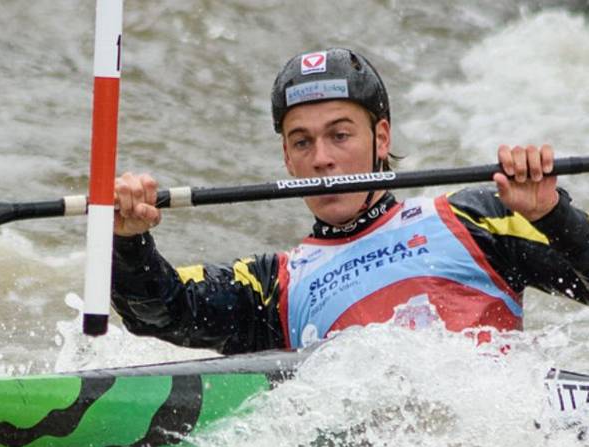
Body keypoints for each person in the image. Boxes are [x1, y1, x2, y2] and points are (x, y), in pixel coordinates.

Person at [110, 47, 589, 354]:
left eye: (340, 135)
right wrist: (130, 241)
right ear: (287, 159)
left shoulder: (477, 218)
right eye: (302, 142)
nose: (322, 159)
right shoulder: (273, 285)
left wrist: (551, 214)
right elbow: (163, 309)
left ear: (381, 137)